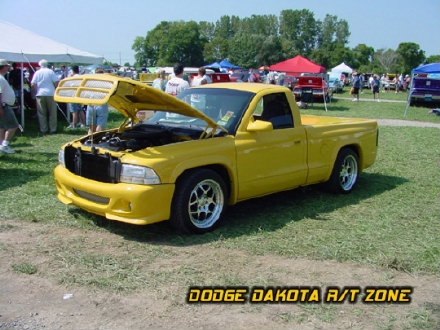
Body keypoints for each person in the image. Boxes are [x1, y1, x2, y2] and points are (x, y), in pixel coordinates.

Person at [31, 59, 60, 134]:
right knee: (52, 113)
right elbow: (56, 82)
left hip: (40, 94)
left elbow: (33, 84)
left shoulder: (37, 72)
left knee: (41, 113)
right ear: (47, 64)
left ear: (40, 65)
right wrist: (56, 90)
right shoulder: (50, 72)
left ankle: (43, 129)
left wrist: (35, 91)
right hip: (51, 93)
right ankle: (53, 129)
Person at [0, 59, 20, 154]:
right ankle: (5, 145)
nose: (9, 67)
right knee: (14, 126)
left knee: (2, 127)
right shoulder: (0, 78)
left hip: (3, 105)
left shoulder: (2, 77)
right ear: (3, 67)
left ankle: (1, 146)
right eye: (7, 66)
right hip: (4, 106)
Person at [86, 68, 108, 134]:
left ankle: (89, 142)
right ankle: (98, 142)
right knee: (100, 127)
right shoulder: (106, 82)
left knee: (91, 128)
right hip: (101, 104)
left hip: (91, 104)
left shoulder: (90, 82)